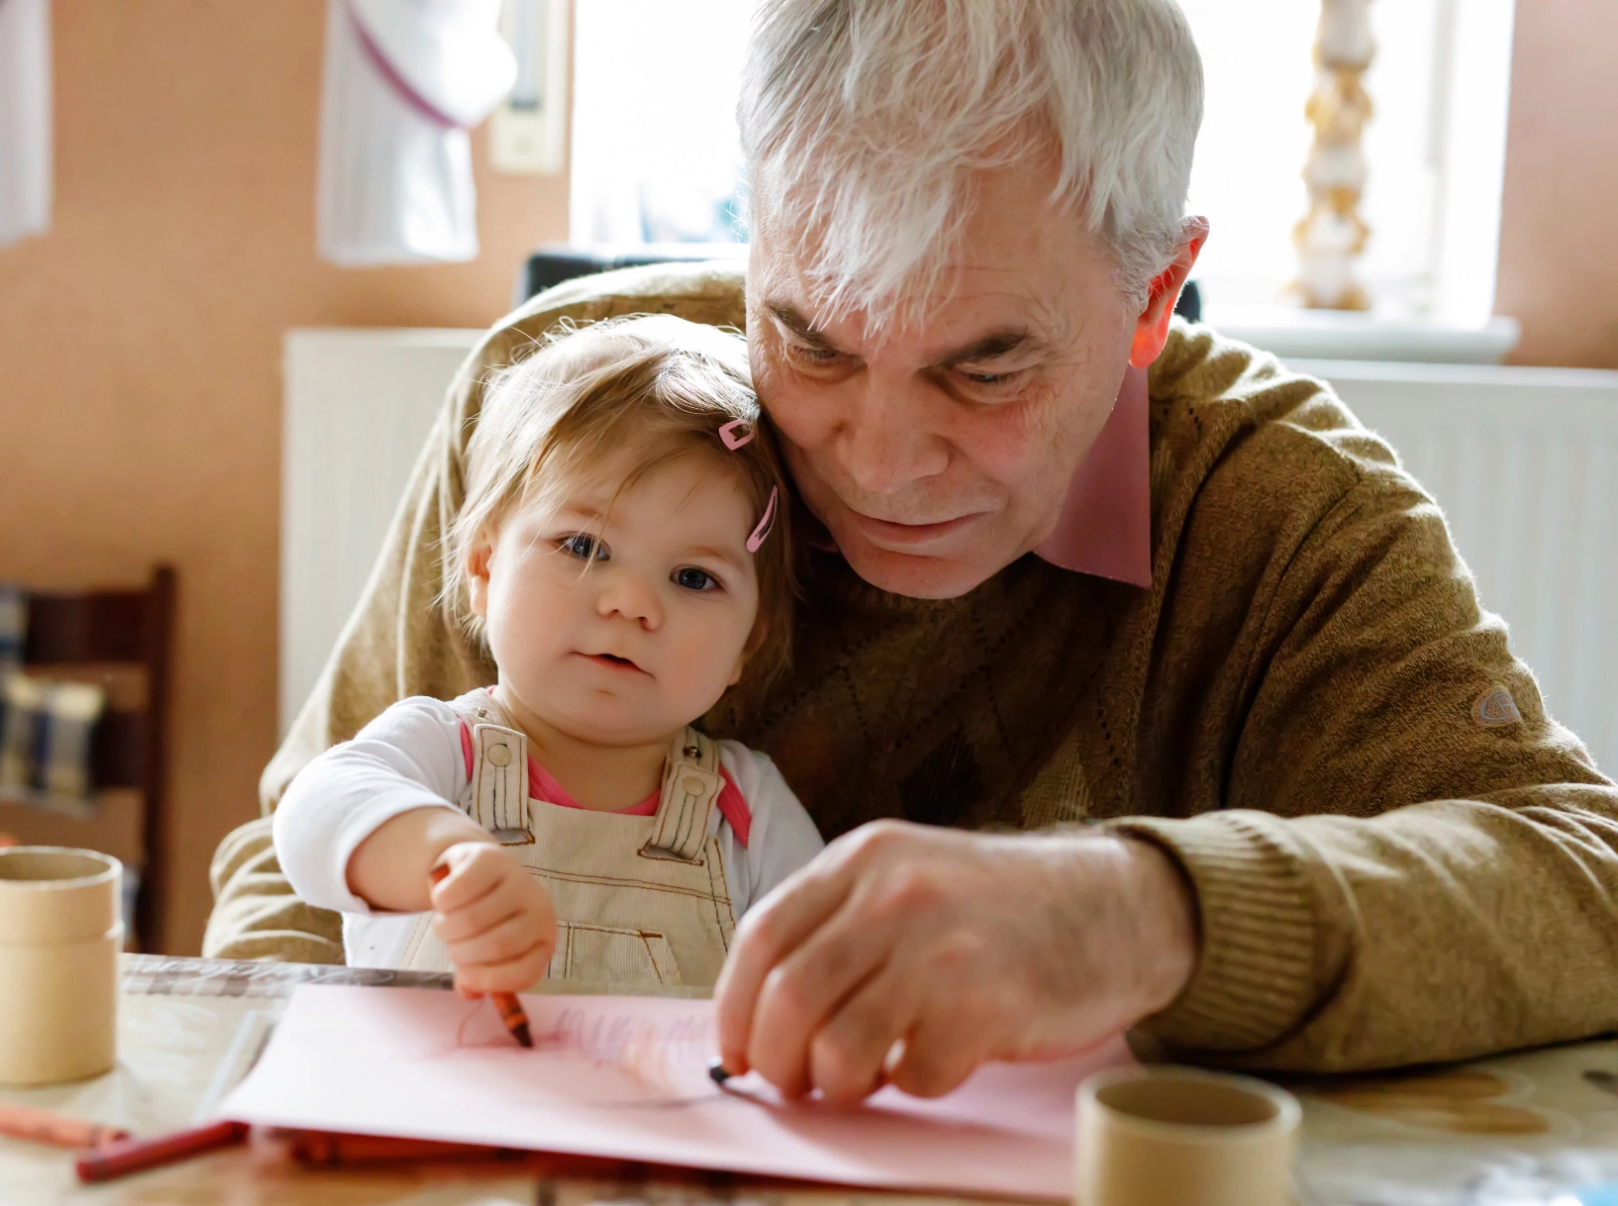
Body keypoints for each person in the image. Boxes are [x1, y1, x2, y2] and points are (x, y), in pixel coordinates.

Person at [210, 0, 1618, 1099]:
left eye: (986, 371)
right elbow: (290, 870)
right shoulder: (566, 417)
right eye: (809, 340)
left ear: (1153, 298)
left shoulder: (1273, 509)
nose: (873, 466)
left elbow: (1583, 886)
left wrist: (1143, 915)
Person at [272, 316, 824, 996]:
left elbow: (824, 959)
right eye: (583, 547)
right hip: (429, 1097)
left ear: (750, 642)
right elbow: (311, 815)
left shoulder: (747, 808)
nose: (631, 604)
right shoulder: (446, 750)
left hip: (654, 1103)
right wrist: (444, 857)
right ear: (482, 569)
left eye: (693, 578)